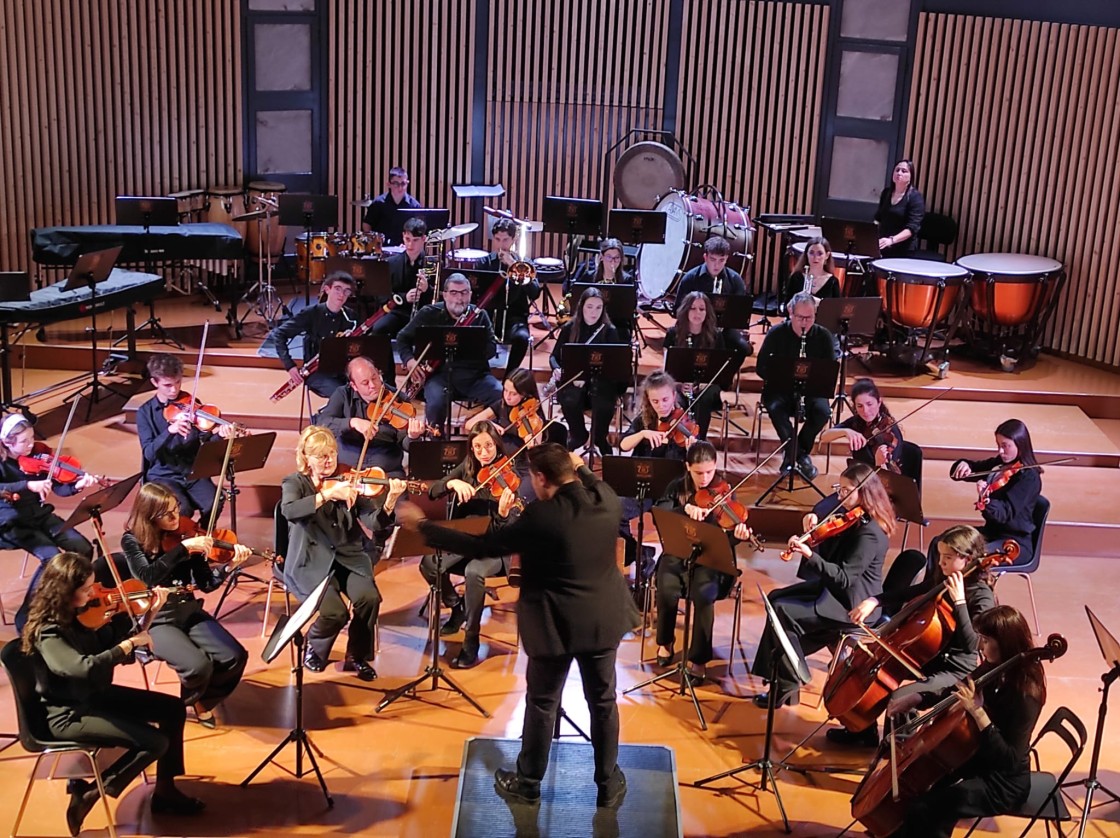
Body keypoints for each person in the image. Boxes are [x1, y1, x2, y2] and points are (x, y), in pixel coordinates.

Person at [395, 444, 636, 809]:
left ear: (541, 478)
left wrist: (424, 527)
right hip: (603, 620)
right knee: (603, 702)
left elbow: (481, 547)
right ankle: (608, 783)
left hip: (555, 624)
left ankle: (527, 783)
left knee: (542, 703)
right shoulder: (605, 499)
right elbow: (585, 475)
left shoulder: (541, 516)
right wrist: (580, 465)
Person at [21, 552, 203, 836]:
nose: (92, 593)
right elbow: (83, 668)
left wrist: (151, 611)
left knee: (172, 709)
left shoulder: (78, 614)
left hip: (94, 696)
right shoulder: (49, 631)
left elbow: (114, 641)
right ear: (64, 591)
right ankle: (90, 794)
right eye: (85, 589)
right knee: (155, 743)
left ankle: (166, 791)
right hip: (67, 714)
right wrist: (127, 647)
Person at [829, 524, 997, 747]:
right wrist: (875, 600)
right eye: (940, 556)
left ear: (967, 559)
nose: (940, 562)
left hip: (955, 670)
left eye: (947, 557)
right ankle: (861, 731)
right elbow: (911, 592)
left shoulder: (981, 595)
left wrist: (959, 602)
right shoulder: (944, 578)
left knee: (901, 698)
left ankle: (900, 752)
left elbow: (972, 644)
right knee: (864, 672)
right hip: (928, 658)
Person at [891, 605, 1046, 837]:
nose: (980, 646)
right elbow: (959, 688)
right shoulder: (996, 665)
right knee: (920, 794)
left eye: (986, 639)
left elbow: (1009, 759)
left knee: (927, 808)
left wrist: (978, 713)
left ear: (1006, 641)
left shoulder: (1025, 694)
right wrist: (918, 697)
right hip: (977, 757)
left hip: (1003, 784)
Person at [751, 462, 895, 709]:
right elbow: (834, 549)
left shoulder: (870, 532)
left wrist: (809, 555)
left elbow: (844, 577)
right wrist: (814, 524)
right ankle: (784, 678)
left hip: (852, 604)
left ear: (864, 493)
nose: (840, 496)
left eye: (846, 491)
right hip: (836, 591)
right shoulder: (853, 518)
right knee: (775, 599)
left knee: (783, 612)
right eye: (840, 489)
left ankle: (786, 680)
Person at [281, 426, 407, 681]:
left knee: (369, 599)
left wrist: (391, 501)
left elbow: (373, 522)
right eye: (320, 456)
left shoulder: (348, 479)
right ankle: (314, 646)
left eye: (332, 454)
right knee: (335, 613)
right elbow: (290, 511)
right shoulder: (295, 483)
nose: (328, 461)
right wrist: (327, 495)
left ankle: (356, 655)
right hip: (310, 561)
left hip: (348, 556)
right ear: (306, 458)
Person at [121, 483, 250, 729]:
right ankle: (185, 704)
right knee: (197, 666)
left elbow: (207, 583)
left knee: (234, 656)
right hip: (156, 617)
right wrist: (183, 549)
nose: (175, 517)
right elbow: (148, 575)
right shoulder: (132, 541)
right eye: (167, 514)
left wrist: (228, 567)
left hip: (188, 610)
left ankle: (201, 700)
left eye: (176, 508)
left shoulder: (188, 535)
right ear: (149, 516)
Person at [419, 421, 519, 669]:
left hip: (496, 547)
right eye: (477, 447)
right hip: (466, 541)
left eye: (488, 446)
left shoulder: (511, 475)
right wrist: (452, 483)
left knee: (474, 572)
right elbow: (433, 491)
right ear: (471, 449)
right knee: (429, 564)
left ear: (497, 444)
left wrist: (504, 513)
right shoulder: (468, 467)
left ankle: (471, 639)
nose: (484, 453)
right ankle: (457, 606)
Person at [654, 441, 753, 683]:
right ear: (688, 467)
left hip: (711, 560)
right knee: (666, 588)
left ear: (716, 466)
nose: (705, 478)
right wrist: (685, 509)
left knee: (704, 594)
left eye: (709, 471)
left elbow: (727, 540)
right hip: (678, 554)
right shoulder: (675, 488)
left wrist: (737, 536)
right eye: (699, 472)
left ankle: (698, 658)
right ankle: (665, 641)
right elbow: (662, 518)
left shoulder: (726, 492)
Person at [0, 413, 96, 631]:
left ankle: (67, 601)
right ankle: (26, 617)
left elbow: (59, 488)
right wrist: (26, 485)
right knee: (52, 558)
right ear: (7, 442)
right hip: (11, 522)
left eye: (32, 438)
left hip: (40, 514)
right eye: (24, 441)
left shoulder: (38, 456)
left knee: (82, 548)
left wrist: (77, 485)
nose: (31, 445)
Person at [395, 272, 504, 434]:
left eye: (464, 292)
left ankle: (488, 438)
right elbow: (402, 338)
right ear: (444, 295)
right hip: (439, 377)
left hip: (474, 376)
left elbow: (491, 349)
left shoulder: (480, 316)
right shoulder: (428, 313)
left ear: (470, 294)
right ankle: (435, 441)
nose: (459, 298)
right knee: (436, 402)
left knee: (500, 395)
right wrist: (410, 361)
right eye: (453, 293)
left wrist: (472, 343)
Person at [137, 353, 240, 522]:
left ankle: (202, 534)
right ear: (154, 382)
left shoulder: (191, 403)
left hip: (191, 471)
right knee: (182, 509)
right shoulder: (145, 413)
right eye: (167, 385)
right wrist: (169, 432)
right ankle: (181, 544)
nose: (174, 390)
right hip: (163, 475)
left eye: (178, 382)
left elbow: (204, 443)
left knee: (215, 502)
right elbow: (149, 453)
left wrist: (219, 436)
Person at [755, 290, 839, 480]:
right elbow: (761, 367)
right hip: (780, 388)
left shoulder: (824, 336)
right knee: (776, 408)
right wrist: (780, 374)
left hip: (812, 390)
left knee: (822, 412)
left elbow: (829, 372)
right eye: (800, 317)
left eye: (809, 318)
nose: (804, 323)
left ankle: (794, 455)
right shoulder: (776, 333)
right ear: (790, 313)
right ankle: (799, 457)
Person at [950, 418, 1042, 566]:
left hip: (1014, 543)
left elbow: (1004, 514)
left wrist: (986, 498)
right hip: (991, 533)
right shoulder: (1001, 463)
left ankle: (959, 589)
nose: (1000, 451)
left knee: (966, 559)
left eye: (1005, 446)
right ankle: (931, 586)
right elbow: (976, 468)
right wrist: (964, 465)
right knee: (943, 542)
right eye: (998, 445)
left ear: (1020, 444)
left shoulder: (1029, 478)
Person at [464, 368, 566, 499]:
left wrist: (530, 437)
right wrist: (490, 425)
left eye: (513, 393)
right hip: (498, 463)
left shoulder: (533, 414)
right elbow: (469, 424)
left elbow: (534, 449)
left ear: (525, 394)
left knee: (520, 498)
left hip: (523, 467)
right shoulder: (501, 405)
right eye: (505, 390)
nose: (507, 396)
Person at [314, 355, 425, 474]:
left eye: (374, 378)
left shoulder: (398, 399)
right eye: (365, 383)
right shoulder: (343, 395)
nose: (372, 385)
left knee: (400, 491)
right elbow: (322, 424)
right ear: (354, 386)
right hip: (346, 469)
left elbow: (406, 445)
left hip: (386, 470)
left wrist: (413, 437)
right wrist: (352, 422)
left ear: (378, 373)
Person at [550, 287, 622, 458]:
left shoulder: (610, 331)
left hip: (600, 383)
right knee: (569, 399)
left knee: (605, 402)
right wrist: (557, 369)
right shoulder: (569, 328)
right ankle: (578, 434)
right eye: (589, 307)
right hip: (574, 382)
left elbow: (615, 365)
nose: (594, 312)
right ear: (581, 306)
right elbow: (554, 356)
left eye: (598, 307)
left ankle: (599, 437)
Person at [271, 272, 358, 397]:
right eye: (337, 289)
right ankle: (328, 416)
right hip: (317, 373)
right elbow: (279, 334)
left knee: (364, 391)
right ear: (327, 289)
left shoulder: (351, 317)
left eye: (346, 291)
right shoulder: (311, 314)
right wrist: (289, 365)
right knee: (344, 394)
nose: (341, 295)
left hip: (343, 371)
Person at [674, 236, 753, 358]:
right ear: (705, 257)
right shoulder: (690, 278)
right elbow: (678, 310)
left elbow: (739, 315)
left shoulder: (735, 280)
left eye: (721, 260)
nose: (716, 265)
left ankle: (724, 376)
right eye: (713, 259)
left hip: (724, 329)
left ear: (727, 259)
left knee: (742, 349)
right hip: (695, 327)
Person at [370, 216, 435, 364]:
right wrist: (405, 297)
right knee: (379, 328)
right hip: (398, 312)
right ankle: (387, 377)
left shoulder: (433, 265)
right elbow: (381, 296)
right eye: (407, 239)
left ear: (424, 239)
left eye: (415, 240)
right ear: (403, 237)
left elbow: (440, 299)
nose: (410, 244)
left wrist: (427, 290)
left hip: (423, 314)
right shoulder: (391, 263)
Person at [663, 290, 726, 440]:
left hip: (707, 386)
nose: (697, 312)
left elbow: (721, 372)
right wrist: (679, 385)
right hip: (680, 386)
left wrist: (702, 385)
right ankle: (677, 445)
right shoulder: (673, 334)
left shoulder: (716, 336)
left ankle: (698, 443)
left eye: (702, 309)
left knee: (702, 399)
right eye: (693, 308)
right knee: (674, 400)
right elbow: (666, 368)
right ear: (685, 310)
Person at [483, 217, 541, 376]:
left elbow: (535, 292)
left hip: (514, 317)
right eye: (497, 239)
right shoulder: (485, 262)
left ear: (514, 239)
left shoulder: (525, 263)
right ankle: (482, 376)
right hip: (488, 317)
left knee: (522, 338)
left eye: (505, 240)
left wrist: (514, 266)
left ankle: (509, 378)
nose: (501, 245)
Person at [820, 377, 907, 473]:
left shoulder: (891, 432)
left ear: (879, 402)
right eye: (860, 406)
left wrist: (879, 463)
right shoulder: (857, 422)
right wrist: (845, 431)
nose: (865, 411)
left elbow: (889, 476)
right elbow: (824, 437)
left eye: (869, 404)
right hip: (860, 477)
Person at [567, 238, 635, 345]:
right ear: (601, 257)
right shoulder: (589, 277)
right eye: (609, 257)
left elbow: (629, 308)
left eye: (617, 258)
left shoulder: (627, 280)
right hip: (591, 319)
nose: (613, 262)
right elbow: (578, 302)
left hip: (617, 322)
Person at [875, 159, 925, 258]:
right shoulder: (886, 193)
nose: (899, 173)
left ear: (910, 177)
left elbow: (912, 228)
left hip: (903, 250)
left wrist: (892, 240)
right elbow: (878, 218)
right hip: (883, 246)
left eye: (904, 171)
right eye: (897, 170)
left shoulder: (915, 198)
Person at [361, 165, 422, 244]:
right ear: (388, 184)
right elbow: (367, 225)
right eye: (396, 184)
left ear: (407, 183)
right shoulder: (378, 203)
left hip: (405, 249)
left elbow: (418, 230)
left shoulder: (414, 206)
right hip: (382, 249)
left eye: (403, 184)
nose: (400, 188)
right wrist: (373, 243)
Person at [781, 236, 843, 307]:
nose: (815, 257)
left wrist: (820, 303)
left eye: (820, 253)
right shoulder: (796, 277)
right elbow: (786, 309)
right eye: (811, 253)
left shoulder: (833, 282)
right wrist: (797, 301)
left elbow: (836, 311)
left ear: (827, 255)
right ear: (806, 254)